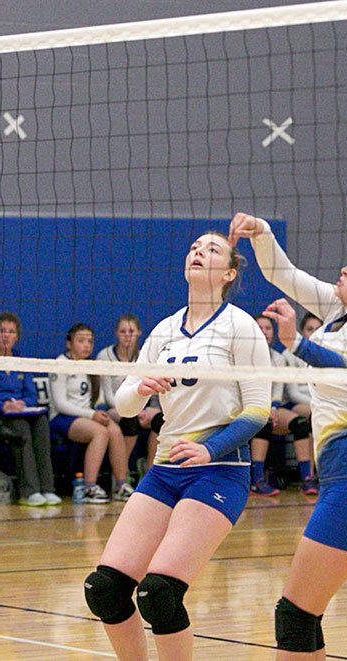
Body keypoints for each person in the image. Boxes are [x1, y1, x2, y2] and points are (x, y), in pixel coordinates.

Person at [228, 212, 347, 660]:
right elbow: (283, 274)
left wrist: (297, 344)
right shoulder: (339, 311)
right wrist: (263, 234)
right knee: (303, 616)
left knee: (293, 615)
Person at [83, 232, 271, 661]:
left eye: (212, 250)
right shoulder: (165, 330)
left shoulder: (239, 326)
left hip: (219, 470)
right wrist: (141, 388)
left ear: (228, 272)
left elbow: (259, 410)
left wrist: (211, 449)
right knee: (105, 589)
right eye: (193, 248)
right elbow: (125, 403)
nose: (198, 252)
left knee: (159, 593)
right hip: (166, 468)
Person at [0, 313, 59, 506]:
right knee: (21, 426)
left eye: (11, 332)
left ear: (17, 336)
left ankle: (48, 489)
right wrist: (4, 405)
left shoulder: (20, 360)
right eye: (2, 331)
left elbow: (32, 395)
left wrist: (22, 404)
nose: (6, 335)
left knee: (41, 423)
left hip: (20, 411)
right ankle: (29, 491)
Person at [50, 323, 132, 503]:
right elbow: (61, 404)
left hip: (88, 415)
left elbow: (100, 400)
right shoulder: (60, 364)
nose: (86, 345)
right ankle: (89, 487)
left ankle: (120, 485)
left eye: (90, 341)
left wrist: (100, 412)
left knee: (114, 430)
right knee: (100, 432)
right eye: (81, 341)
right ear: (69, 343)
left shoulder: (92, 365)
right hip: (61, 418)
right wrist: (91, 415)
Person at [249, 315, 317, 498]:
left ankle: (307, 479)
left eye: (268, 328)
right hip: (248, 407)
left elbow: (277, 390)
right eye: (260, 328)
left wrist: (272, 408)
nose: (264, 332)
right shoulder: (244, 356)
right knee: (261, 421)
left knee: (300, 424)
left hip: (271, 407)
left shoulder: (278, 359)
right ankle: (256, 481)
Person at [95, 314, 163, 476]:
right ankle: (121, 476)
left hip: (142, 408)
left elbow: (153, 392)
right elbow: (107, 396)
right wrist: (133, 409)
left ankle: (149, 473)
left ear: (139, 333)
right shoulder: (105, 356)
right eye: (123, 331)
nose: (127, 335)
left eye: (131, 331)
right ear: (117, 334)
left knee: (160, 421)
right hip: (114, 408)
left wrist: (149, 410)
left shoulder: (144, 357)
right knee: (130, 420)